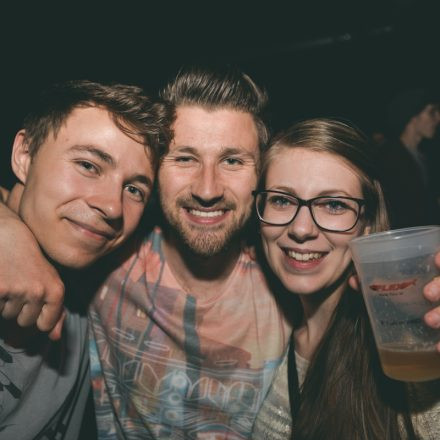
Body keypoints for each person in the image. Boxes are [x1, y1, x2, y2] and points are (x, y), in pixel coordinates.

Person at [1, 67, 440, 439]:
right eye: (184, 158)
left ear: (260, 180)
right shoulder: (107, 254)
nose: (207, 189)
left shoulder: (290, 280)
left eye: (232, 160)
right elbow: (43, 206)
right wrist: (9, 230)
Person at [0, 79, 173, 439]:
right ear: (24, 155)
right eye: (89, 166)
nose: (112, 207)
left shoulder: (98, 282)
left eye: (134, 189)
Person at [251, 118, 440, 440]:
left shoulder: (403, 344)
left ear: (366, 226)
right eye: (282, 200)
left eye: (334, 205)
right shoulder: (266, 331)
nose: (301, 229)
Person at [378, 88, 440, 228]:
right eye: (432, 112)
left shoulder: (422, 156)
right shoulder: (389, 157)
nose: (438, 118)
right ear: (412, 115)